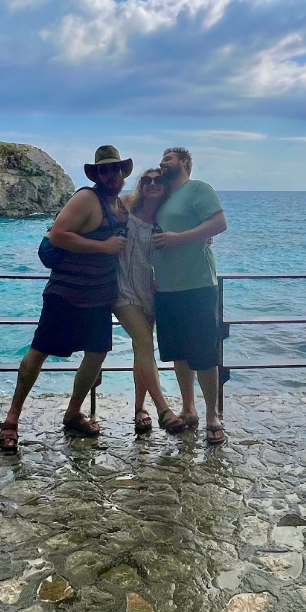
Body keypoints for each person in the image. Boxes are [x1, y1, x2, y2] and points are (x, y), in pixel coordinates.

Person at [0, 146, 129, 452]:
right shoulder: (86, 198)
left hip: (99, 295)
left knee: (97, 354)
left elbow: (146, 213)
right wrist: (104, 247)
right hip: (65, 292)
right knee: (39, 351)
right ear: (96, 174)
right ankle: (12, 419)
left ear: (123, 172)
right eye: (105, 170)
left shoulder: (120, 204)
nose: (112, 174)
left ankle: (73, 412)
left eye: (117, 169)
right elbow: (58, 235)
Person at [151, 146, 229, 444]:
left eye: (168, 158)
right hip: (166, 287)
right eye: (161, 159)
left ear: (184, 163)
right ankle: (188, 407)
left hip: (198, 285)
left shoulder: (198, 189)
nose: (162, 162)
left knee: (205, 353)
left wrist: (177, 239)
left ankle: (212, 414)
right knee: (179, 352)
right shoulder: (162, 196)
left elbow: (219, 223)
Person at [114, 168, 176, 434]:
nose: (152, 184)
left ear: (165, 186)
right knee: (144, 342)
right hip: (121, 291)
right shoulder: (126, 209)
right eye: (147, 180)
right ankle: (163, 409)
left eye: (158, 180)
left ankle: (140, 410)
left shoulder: (167, 220)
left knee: (142, 350)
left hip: (152, 292)